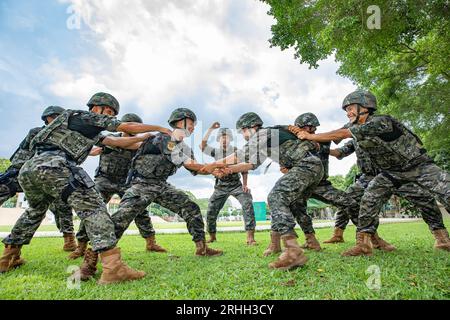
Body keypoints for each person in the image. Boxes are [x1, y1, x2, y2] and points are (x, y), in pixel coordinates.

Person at [0, 92, 173, 285]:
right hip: (55, 166)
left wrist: (146, 136)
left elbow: (116, 141)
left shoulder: (87, 130)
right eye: (107, 111)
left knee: (34, 211)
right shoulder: (80, 116)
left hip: (31, 170)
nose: (109, 115)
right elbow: (126, 127)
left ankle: (8, 258)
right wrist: (160, 128)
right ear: (95, 108)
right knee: (95, 209)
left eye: (112, 112)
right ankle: (113, 268)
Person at [291, 90, 450, 256]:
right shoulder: (354, 126)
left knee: (435, 196)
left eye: (351, 108)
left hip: (417, 166)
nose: (348, 113)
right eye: (346, 110)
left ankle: (443, 239)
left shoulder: (381, 121)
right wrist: (299, 134)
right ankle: (364, 244)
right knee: (369, 200)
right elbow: (336, 138)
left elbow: (342, 134)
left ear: (365, 107)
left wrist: (309, 136)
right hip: (390, 173)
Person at [210, 112, 324, 270]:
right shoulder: (266, 141)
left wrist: (215, 164)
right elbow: (251, 164)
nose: (243, 135)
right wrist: (227, 169)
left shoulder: (264, 133)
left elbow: (242, 154)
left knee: (276, 197)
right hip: (312, 167)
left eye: (243, 131)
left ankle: (293, 251)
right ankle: (281, 244)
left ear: (251, 127)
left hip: (306, 165)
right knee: (289, 203)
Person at [69, 113, 166, 260]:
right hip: (104, 179)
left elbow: (140, 147)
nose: (135, 130)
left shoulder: (141, 143)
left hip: (126, 181)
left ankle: (151, 243)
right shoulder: (111, 138)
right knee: (92, 210)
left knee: (140, 210)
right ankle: (81, 246)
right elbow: (96, 150)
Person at [0, 106, 77, 252]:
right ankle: (12, 252)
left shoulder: (65, 135)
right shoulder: (37, 132)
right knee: (35, 206)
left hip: (49, 175)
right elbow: (22, 153)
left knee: (60, 204)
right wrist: (14, 170)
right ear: (49, 118)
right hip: (26, 171)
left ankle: (69, 240)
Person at [200, 123, 257, 245]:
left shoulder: (236, 150)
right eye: (221, 137)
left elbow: (244, 168)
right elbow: (202, 146)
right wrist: (210, 129)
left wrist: (245, 185)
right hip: (221, 186)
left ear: (230, 139)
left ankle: (250, 238)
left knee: (247, 203)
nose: (224, 139)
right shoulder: (216, 152)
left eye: (226, 137)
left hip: (236, 185)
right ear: (218, 139)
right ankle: (212, 236)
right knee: (211, 209)